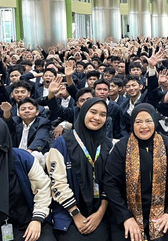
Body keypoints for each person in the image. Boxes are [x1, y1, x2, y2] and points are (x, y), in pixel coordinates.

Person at [105, 104, 168, 241]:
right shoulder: (121, 147)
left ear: (155, 122)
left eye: (148, 121)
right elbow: (110, 184)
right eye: (138, 122)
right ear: (132, 124)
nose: (144, 126)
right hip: (127, 210)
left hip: (163, 209)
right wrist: (126, 217)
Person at [46, 97, 113, 241]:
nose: (97, 118)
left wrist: (100, 213)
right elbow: (57, 183)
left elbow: (111, 182)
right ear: (83, 113)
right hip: (68, 214)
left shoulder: (108, 144)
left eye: (102, 114)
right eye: (93, 112)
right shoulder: (62, 143)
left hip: (100, 210)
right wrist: (76, 214)